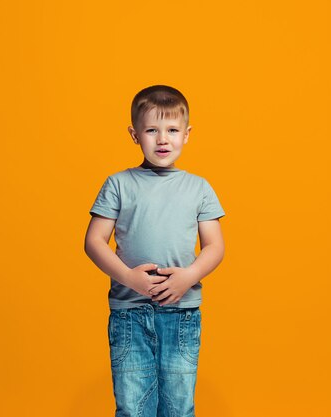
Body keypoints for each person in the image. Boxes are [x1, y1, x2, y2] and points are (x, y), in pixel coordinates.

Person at [84, 85, 225, 417]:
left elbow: (215, 246)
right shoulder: (118, 184)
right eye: (152, 130)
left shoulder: (199, 188)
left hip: (181, 313)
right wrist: (131, 279)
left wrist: (188, 276)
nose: (163, 139)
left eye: (172, 130)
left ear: (187, 134)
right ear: (135, 135)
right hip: (129, 315)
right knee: (134, 406)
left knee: (178, 406)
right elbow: (93, 242)